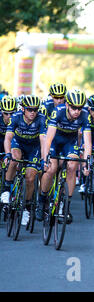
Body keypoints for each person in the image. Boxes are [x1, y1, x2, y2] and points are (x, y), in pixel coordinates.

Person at [36, 90, 92, 223]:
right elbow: (48, 138)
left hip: (70, 142)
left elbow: (88, 142)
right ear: (67, 105)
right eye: (73, 107)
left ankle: (65, 205)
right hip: (55, 140)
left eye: (79, 108)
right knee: (51, 168)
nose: (77, 111)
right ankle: (42, 200)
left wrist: (87, 163)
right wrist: (45, 158)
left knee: (73, 165)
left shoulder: (85, 115)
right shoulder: (58, 111)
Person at [1, 95, 46, 226]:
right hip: (18, 144)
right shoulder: (15, 117)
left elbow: (44, 140)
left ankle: (26, 208)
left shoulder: (42, 119)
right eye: (29, 109)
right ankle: (6, 189)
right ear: (23, 109)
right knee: (14, 160)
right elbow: (8, 138)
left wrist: (44, 158)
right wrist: (7, 154)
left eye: (35, 109)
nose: (33, 112)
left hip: (34, 148)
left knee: (30, 178)